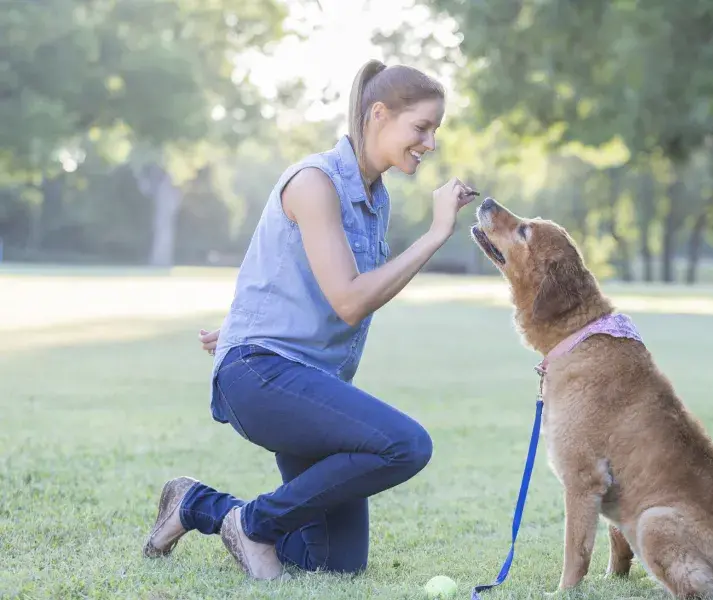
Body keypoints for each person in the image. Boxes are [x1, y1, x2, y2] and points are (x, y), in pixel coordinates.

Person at [142, 59, 477, 580]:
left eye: (435, 130)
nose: (430, 142)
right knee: (407, 445)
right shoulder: (314, 182)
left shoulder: (374, 200)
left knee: (332, 563)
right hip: (262, 375)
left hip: (305, 380)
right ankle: (253, 525)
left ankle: (196, 505)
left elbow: (294, 273)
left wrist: (244, 320)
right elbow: (348, 299)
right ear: (379, 114)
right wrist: (435, 234)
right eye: (422, 127)